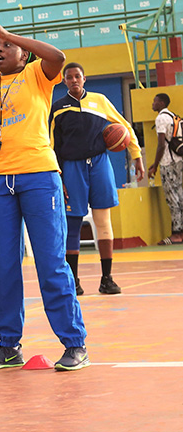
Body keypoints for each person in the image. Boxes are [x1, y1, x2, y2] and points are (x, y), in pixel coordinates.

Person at [0, 14, 88, 371]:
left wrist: (10, 33)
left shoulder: (37, 76)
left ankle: (75, 344)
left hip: (39, 175)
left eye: (5, 46)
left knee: (51, 262)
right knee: (4, 267)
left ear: (23, 53)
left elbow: (56, 56)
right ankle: (8, 346)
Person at [50, 62, 143, 295]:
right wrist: (56, 175)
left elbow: (124, 126)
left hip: (100, 164)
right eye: (69, 77)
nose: (74, 80)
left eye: (77, 76)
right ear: (64, 81)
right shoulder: (58, 108)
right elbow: (51, 145)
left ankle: (107, 278)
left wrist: (136, 155)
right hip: (71, 168)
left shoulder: (100, 101)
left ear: (84, 79)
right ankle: (74, 281)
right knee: (73, 224)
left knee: (103, 222)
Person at [147, 93, 183, 245]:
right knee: (181, 196)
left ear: (162, 103)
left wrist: (155, 165)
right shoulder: (176, 117)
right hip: (180, 160)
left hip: (168, 163)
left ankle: (176, 234)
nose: (153, 104)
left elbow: (161, 145)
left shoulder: (161, 118)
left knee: (172, 198)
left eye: (155, 101)